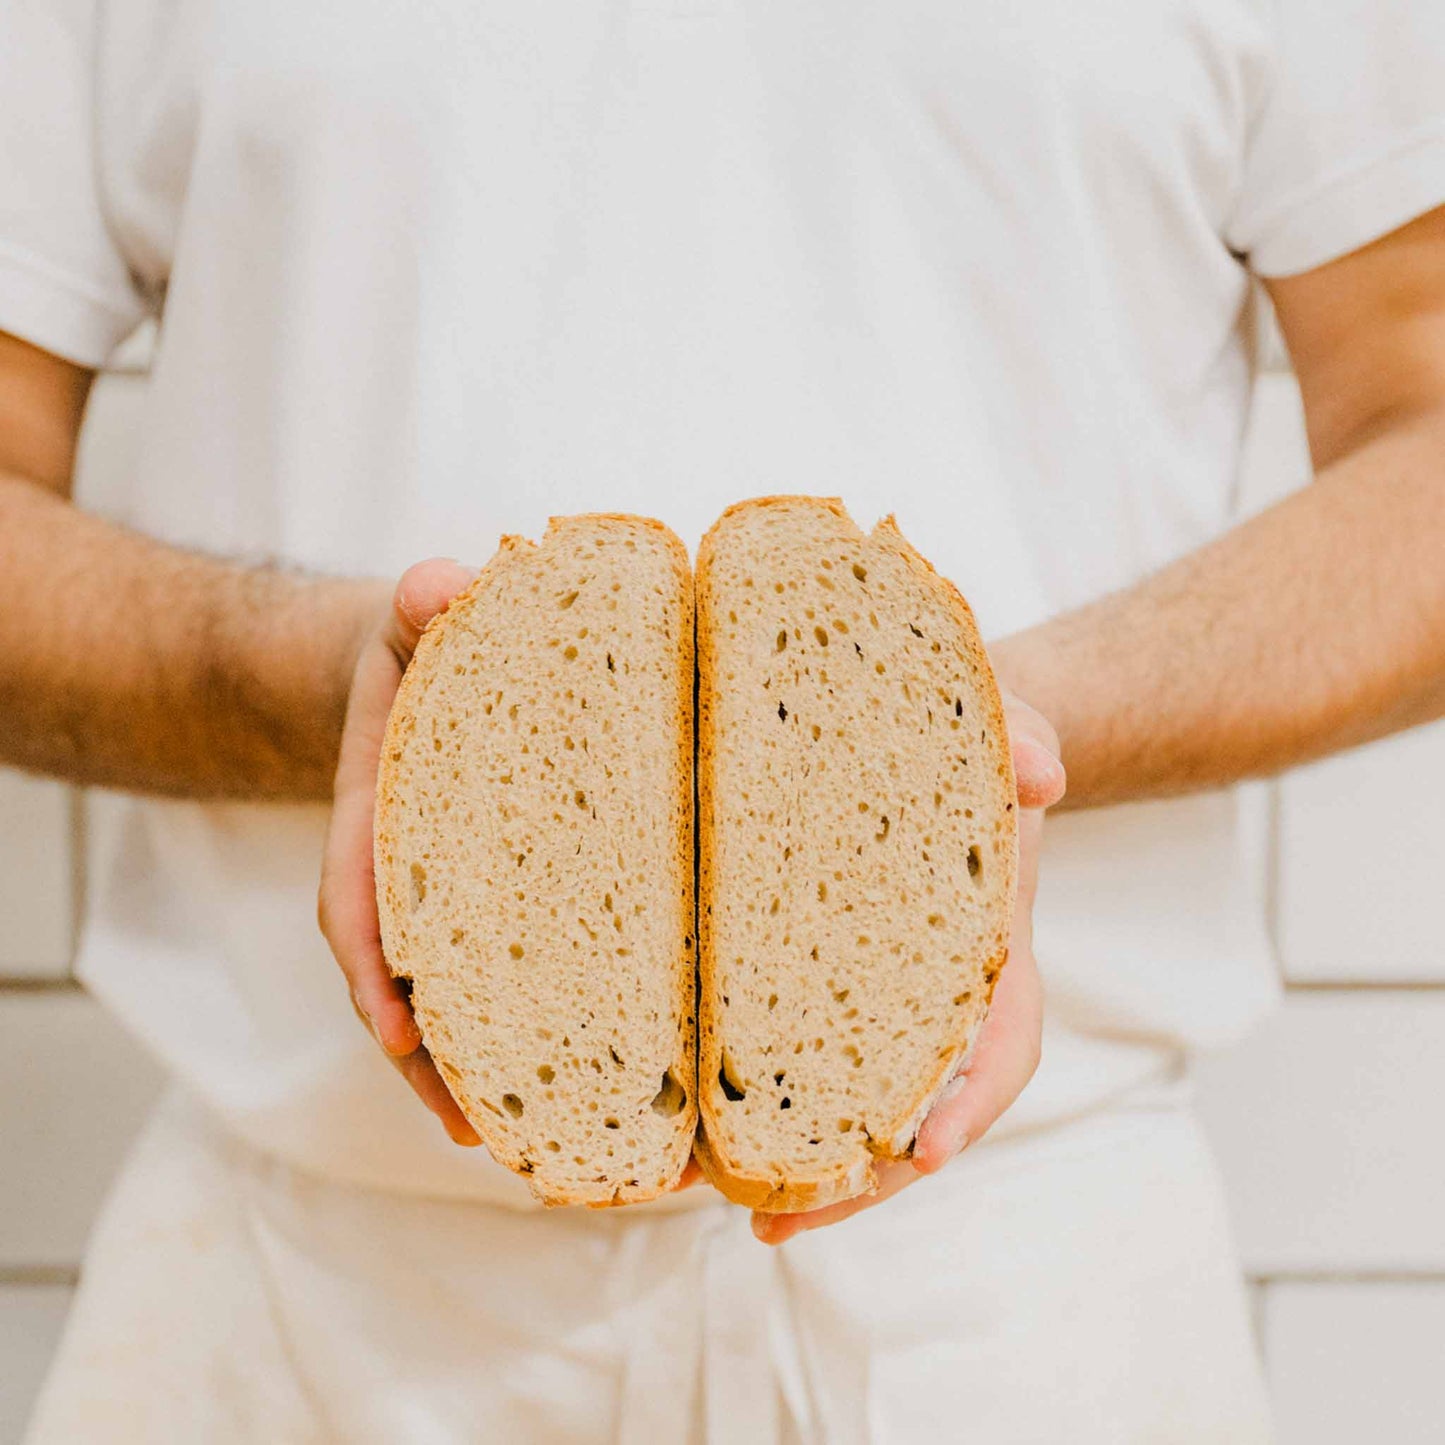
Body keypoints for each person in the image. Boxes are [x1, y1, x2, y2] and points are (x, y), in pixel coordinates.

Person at [2, 1, 1442, 1440]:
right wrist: (398, 693)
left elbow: (1421, 435)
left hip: (1027, 1298)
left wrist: (958, 736)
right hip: (295, 1311)